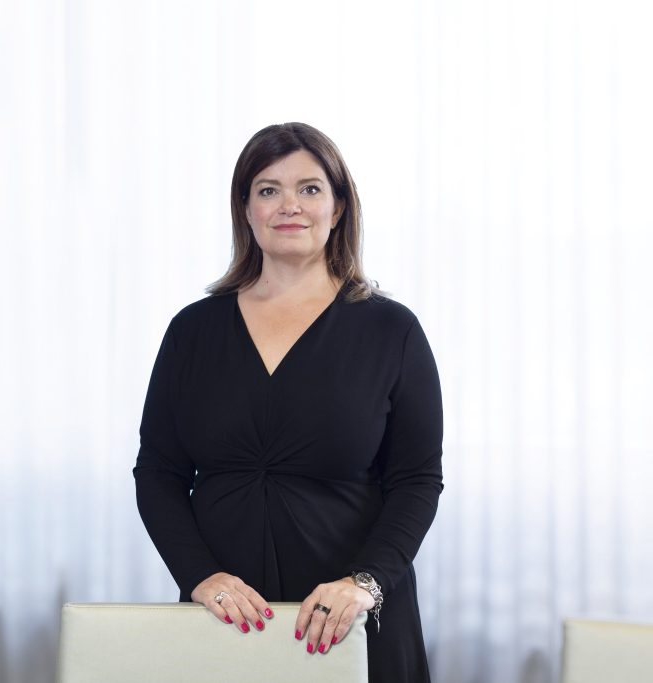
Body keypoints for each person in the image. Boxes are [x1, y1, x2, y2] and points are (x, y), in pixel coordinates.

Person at [133, 122, 444, 682]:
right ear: (246, 210)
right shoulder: (193, 331)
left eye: (310, 188)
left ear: (339, 207)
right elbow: (158, 471)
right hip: (225, 619)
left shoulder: (391, 330)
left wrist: (364, 584)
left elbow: (417, 480)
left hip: (349, 618)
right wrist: (200, 575)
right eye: (268, 189)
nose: (289, 206)